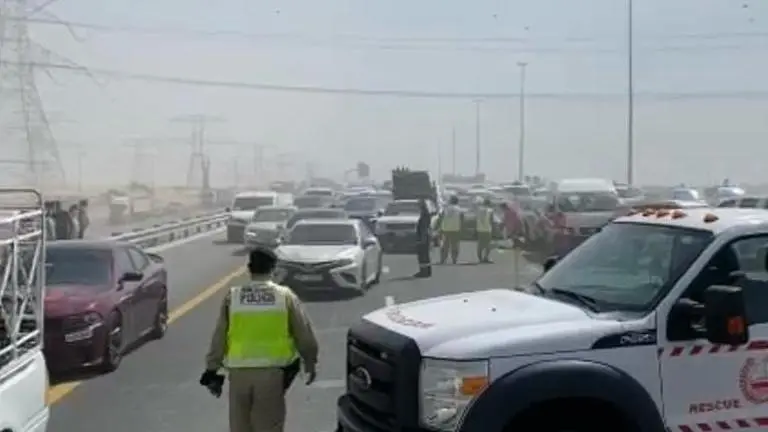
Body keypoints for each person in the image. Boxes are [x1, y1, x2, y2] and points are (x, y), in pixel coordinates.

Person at [201, 248, 319, 432]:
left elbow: (219, 337)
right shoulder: (284, 296)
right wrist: (310, 363)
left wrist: (212, 370)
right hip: (271, 375)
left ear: (249, 268)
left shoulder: (234, 296)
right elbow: (304, 335)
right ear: (273, 268)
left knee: (240, 427)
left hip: (238, 375)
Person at [436, 195, 463, 264]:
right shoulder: (459, 209)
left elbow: (440, 217)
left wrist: (439, 227)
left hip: (445, 229)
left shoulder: (445, 208)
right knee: (455, 245)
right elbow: (462, 218)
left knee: (445, 245)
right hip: (455, 229)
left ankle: (443, 259)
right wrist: (461, 228)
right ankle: (454, 259)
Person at [413, 198, 432, 278]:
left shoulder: (424, 215)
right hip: (425, 236)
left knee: (422, 256)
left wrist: (421, 239)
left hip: (423, 237)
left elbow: (424, 228)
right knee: (425, 255)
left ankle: (424, 272)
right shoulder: (426, 214)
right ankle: (427, 271)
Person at [476, 198, 494, 263]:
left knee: (480, 244)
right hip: (487, 229)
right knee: (488, 244)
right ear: (489, 204)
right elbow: (491, 220)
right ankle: (486, 257)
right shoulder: (490, 210)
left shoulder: (478, 209)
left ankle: (480, 258)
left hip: (479, 229)